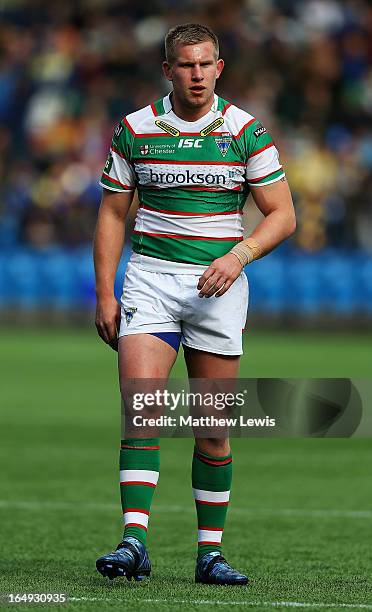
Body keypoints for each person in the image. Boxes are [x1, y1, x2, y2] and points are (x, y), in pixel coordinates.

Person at [93, 23, 296, 586]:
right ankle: (134, 542)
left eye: (205, 64)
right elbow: (112, 213)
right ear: (168, 70)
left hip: (219, 287)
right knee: (141, 413)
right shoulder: (135, 128)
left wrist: (239, 256)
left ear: (220, 67)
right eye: (186, 65)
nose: (197, 74)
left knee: (212, 430)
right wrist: (106, 292)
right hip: (151, 282)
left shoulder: (245, 132)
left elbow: (283, 213)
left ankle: (210, 554)